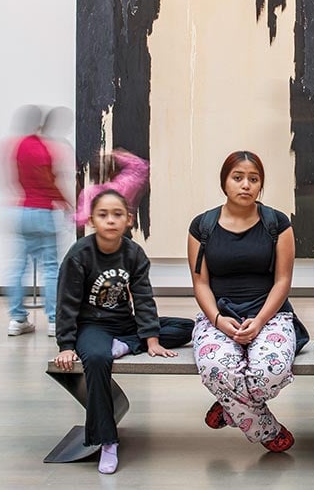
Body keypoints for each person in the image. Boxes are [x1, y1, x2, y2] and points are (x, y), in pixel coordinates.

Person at [53, 189, 193, 475]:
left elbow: (142, 297)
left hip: (124, 324)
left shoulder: (133, 253)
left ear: (129, 220)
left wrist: (151, 340)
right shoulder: (79, 254)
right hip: (91, 326)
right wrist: (66, 345)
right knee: (96, 358)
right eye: (103, 215)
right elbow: (66, 303)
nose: (110, 221)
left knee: (187, 328)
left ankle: (128, 344)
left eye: (117, 215)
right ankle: (106, 440)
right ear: (92, 220)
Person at [187, 151, 304, 453]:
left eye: (254, 179)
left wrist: (262, 320)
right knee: (217, 369)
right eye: (237, 177)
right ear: (224, 182)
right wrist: (216, 320)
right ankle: (268, 429)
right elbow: (200, 283)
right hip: (219, 315)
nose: (246, 185)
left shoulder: (277, 223)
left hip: (270, 314)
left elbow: (283, 281)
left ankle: (229, 407)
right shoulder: (202, 226)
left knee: (270, 373)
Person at [3, 106, 71, 337]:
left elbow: (13, 178)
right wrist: (66, 203)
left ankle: (17, 319)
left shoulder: (19, 146)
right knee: (51, 268)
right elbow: (50, 181)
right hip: (42, 213)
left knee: (18, 267)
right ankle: (53, 321)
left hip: (21, 212)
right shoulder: (46, 149)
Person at [74, 148, 150, 236]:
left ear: (93, 176)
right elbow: (140, 167)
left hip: (102, 235)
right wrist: (115, 155)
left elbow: (81, 219)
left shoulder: (90, 193)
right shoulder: (124, 186)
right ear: (113, 171)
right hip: (123, 233)